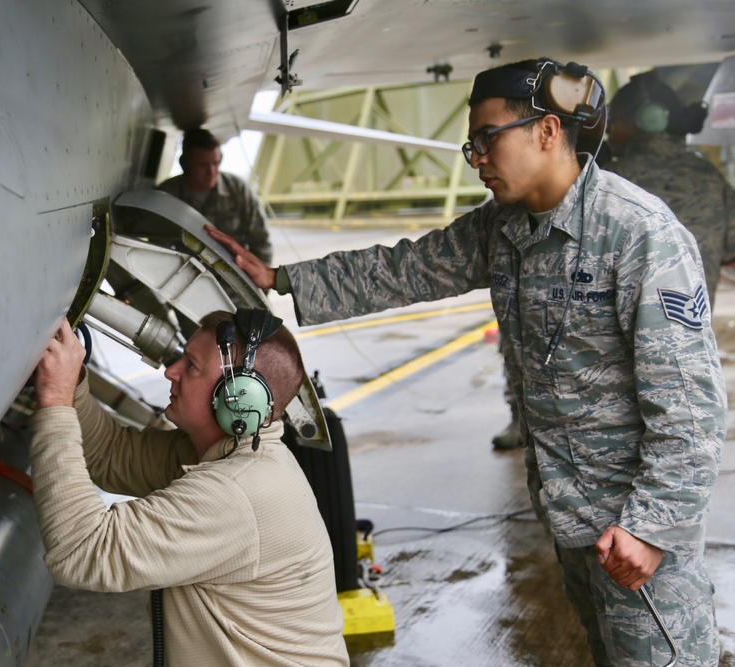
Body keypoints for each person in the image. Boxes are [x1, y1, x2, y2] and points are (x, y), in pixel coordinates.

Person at [207, 58, 726, 667]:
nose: (476, 158)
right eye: (470, 144)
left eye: (487, 138)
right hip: (573, 521)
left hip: (638, 534)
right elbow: (405, 268)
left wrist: (652, 529)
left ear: (547, 131)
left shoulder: (638, 234)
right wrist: (281, 277)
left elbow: (691, 410)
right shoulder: (505, 227)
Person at [29, 309, 349, 666]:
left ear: (239, 397)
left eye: (192, 366)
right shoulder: (225, 454)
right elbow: (112, 454)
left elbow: (81, 551)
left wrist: (55, 402)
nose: (171, 371)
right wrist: (69, 382)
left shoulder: (236, 492)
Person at [605, 70, 735, 305]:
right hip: (693, 324)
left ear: (647, 120)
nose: (608, 132)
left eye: (614, 121)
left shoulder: (609, 180)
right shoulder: (710, 178)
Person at [159, 128, 274, 264]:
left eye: (216, 163)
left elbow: (261, 242)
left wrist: (258, 275)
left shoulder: (238, 190)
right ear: (186, 165)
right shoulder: (167, 194)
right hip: (181, 270)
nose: (212, 171)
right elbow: (157, 243)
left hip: (230, 272)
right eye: (203, 165)